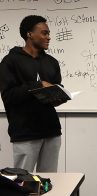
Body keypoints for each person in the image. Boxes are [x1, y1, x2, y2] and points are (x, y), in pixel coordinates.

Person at [0, 15, 64, 172]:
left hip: (52, 132)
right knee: (23, 183)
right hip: (25, 133)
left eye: (49, 33)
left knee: (49, 181)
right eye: (44, 33)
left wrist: (59, 97)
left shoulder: (52, 62)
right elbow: (9, 96)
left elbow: (56, 89)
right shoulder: (10, 61)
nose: (48, 37)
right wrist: (37, 86)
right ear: (29, 34)